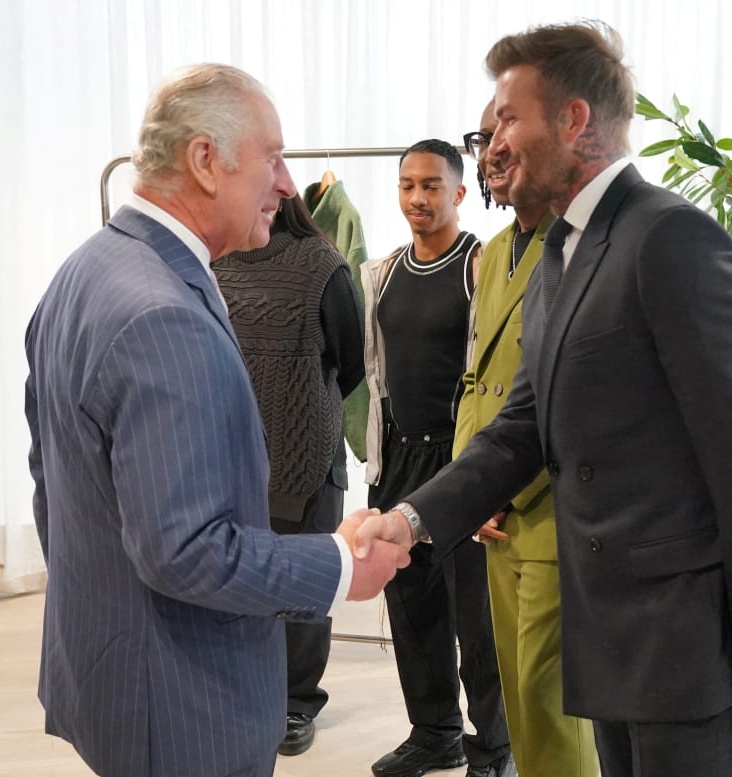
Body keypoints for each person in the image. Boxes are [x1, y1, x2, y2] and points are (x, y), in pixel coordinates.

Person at [355, 22, 732, 777]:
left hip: (682, 644)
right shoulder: (557, 250)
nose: (493, 144)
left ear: (574, 122)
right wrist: (408, 521)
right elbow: (519, 430)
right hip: (604, 633)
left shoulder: (671, 239)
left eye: (509, 119)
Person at [23, 63, 407, 777]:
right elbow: (187, 551)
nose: (289, 184)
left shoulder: (87, 269)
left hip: (115, 673)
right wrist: (339, 564)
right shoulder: (162, 314)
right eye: (273, 156)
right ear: (206, 160)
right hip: (180, 706)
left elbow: (54, 478)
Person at [362, 138, 514, 777]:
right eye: (407, 186)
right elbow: (373, 372)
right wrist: (375, 464)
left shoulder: (480, 266)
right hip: (399, 457)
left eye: (431, 186)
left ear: (458, 192)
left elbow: (501, 372)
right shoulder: (384, 272)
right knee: (412, 608)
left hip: (460, 466)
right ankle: (434, 732)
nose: (417, 198)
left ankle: (493, 747)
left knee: (477, 622)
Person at [459, 101, 599, 777]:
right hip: (493, 515)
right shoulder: (490, 255)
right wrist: (469, 484)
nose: (491, 151)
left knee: (551, 706)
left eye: (503, 135)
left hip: (548, 508)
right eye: (482, 139)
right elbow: (475, 375)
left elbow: (582, 394)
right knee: (515, 698)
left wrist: (498, 485)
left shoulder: (579, 246)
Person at [212, 192, 365, 757]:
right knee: (238, 579)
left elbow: (350, 363)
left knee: (305, 586)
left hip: (306, 456)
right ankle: (245, 691)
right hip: (232, 454)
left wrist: (296, 409)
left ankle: (296, 702)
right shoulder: (215, 260)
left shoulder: (322, 265)